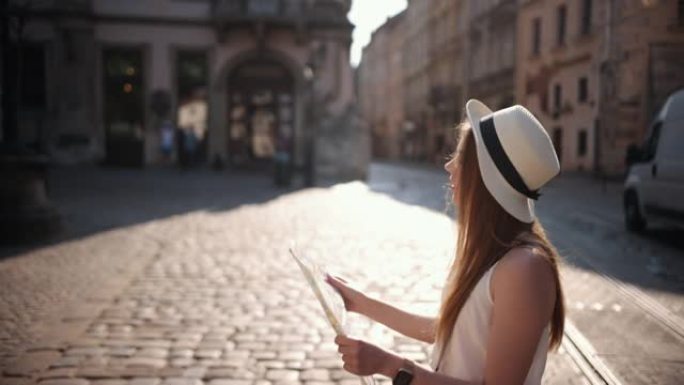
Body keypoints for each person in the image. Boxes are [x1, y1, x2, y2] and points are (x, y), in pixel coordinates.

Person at [328, 99, 565, 385]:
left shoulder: (524, 268)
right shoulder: (495, 252)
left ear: (484, 176)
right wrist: (360, 303)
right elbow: (451, 330)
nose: (449, 165)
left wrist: (393, 366)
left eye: (461, 157)